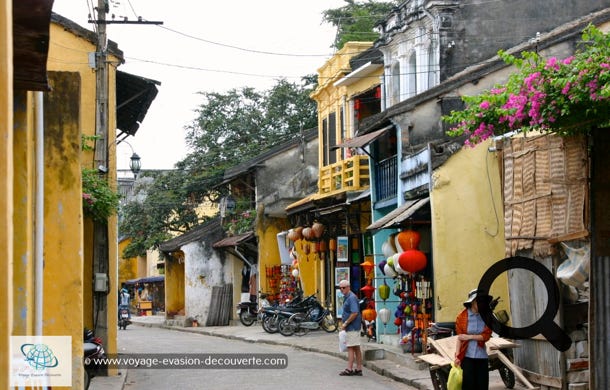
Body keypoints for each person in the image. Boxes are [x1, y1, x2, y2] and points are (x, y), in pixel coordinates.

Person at [454, 288, 493, 390]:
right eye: (478, 301)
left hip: (482, 356)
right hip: (467, 357)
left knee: (482, 386)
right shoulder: (462, 317)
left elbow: (486, 336)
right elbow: (460, 338)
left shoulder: (486, 316)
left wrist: (470, 336)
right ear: (472, 302)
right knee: (468, 386)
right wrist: (457, 356)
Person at [338, 279, 363, 376]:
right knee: (356, 347)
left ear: (348, 287)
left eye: (343, 288)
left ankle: (349, 369)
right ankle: (359, 368)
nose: (341, 290)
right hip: (352, 326)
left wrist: (346, 323)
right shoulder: (347, 297)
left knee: (350, 347)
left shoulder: (351, 298)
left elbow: (355, 312)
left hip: (352, 327)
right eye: (340, 288)